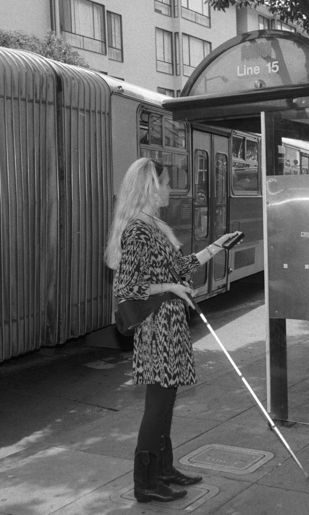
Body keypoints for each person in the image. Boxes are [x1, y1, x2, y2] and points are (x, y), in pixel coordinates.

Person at [104, 158, 240, 503]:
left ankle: (163, 469)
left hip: (170, 323)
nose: (169, 189)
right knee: (157, 404)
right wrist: (170, 288)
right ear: (150, 187)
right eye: (164, 183)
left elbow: (181, 266)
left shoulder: (153, 226)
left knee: (167, 401)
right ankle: (145, 484)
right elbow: (129, 286)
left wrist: (218, 245)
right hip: (156, 327)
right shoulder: (137, 229)